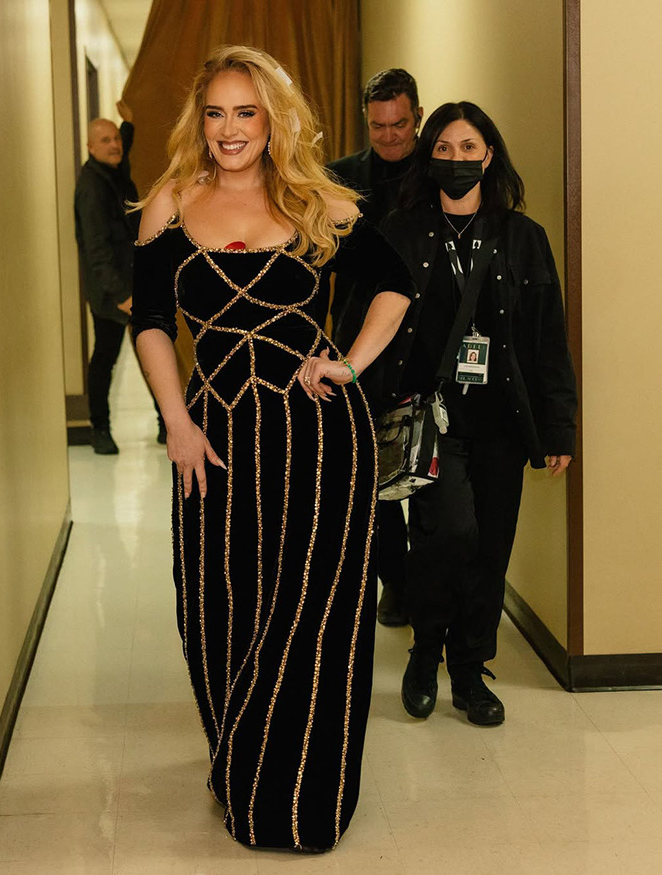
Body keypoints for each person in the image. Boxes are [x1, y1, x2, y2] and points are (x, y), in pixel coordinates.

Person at [130, 46, 412, 851]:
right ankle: (241, 760)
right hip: (211, 441)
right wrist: (176, 422)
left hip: (320, 440)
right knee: (220, 609)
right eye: (216, 112)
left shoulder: (320, 202)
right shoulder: (169, 205)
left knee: (312, 616)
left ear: (272, 119)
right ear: (200, 120)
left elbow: (396, 286)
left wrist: (350, 362)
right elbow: (150, 322)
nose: (229, 130)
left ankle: (301, 800)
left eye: (245, 112)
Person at [381, 102, 577, 726]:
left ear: (490, 155)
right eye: (444, 149)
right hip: (430, 420)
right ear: (428, 156)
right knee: (449, 534)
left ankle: (469, 669)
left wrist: (559, 428)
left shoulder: (525, 238)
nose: (457, 160)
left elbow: (548, 340)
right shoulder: (401, 232)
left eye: (469, 148)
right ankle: (425, 652)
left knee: (490, 547)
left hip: (500, 420)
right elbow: (367, 323)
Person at [328, 68, 424, 627]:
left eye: (400, 124)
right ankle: (398, 579)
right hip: (355, 340)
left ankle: (425, 589)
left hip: (423, 343)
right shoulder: (337, 180)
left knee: (426, 470)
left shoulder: (439, 174)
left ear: (416, 115)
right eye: (378, 125)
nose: (389, 136)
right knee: (370, 473)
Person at [74, 101, 165, 453]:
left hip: (132, 282)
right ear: (90, 147)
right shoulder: (92, 188)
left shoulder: (113, 173)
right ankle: (99, 429)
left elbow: (122, 155)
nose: (114, 145)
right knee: (106, 358)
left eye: (116, 138)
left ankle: (165, 424)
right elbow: (95, 250)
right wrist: (120, 295)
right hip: (112, 293)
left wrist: (128, 125)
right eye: (106, 140)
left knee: (152, 353)